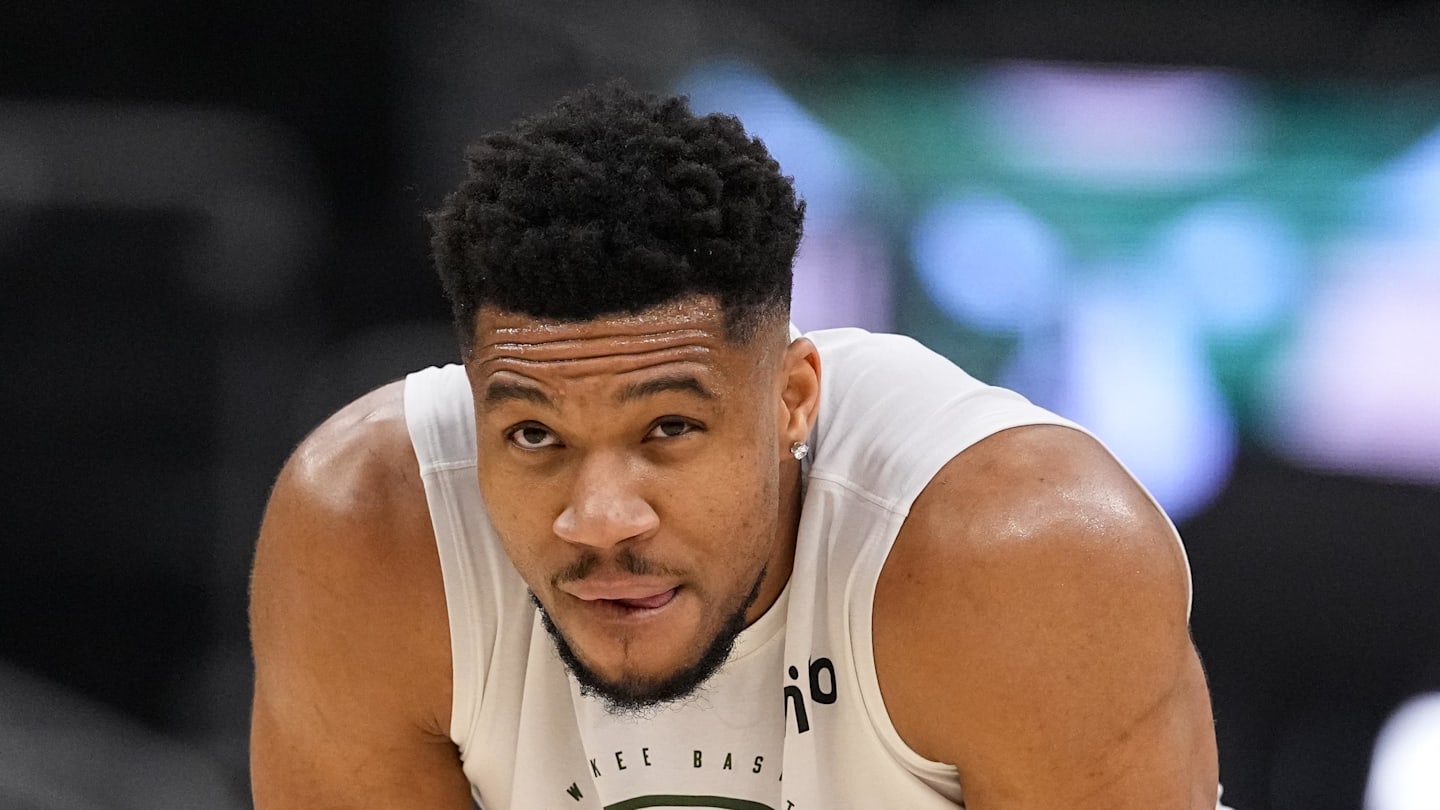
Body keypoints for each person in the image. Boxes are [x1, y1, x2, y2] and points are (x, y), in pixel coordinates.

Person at [248, 82, 1226, 809]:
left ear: (793, 400)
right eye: (534, 434)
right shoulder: (368, 535)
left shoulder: (1030, 559)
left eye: (667, 428)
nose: (599, 516)